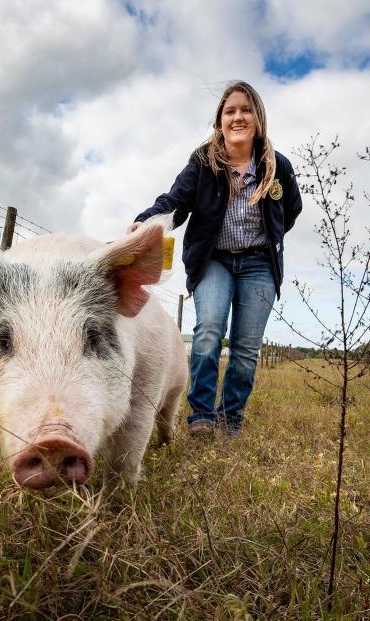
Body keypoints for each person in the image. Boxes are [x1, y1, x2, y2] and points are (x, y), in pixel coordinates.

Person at [129, 80, 302, 437]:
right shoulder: (203, 162)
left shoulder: (277, 166)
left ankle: (231, 418)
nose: (238, 117)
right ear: (220, 121)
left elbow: (292, 209)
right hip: (214, 261)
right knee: (208, 332)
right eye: (230, 111)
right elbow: (175, 202)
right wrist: (146, 223)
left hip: (259, 266)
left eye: (245, 110)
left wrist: (271, 238)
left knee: (246, 348)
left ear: (258, 118)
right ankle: (202, 416)